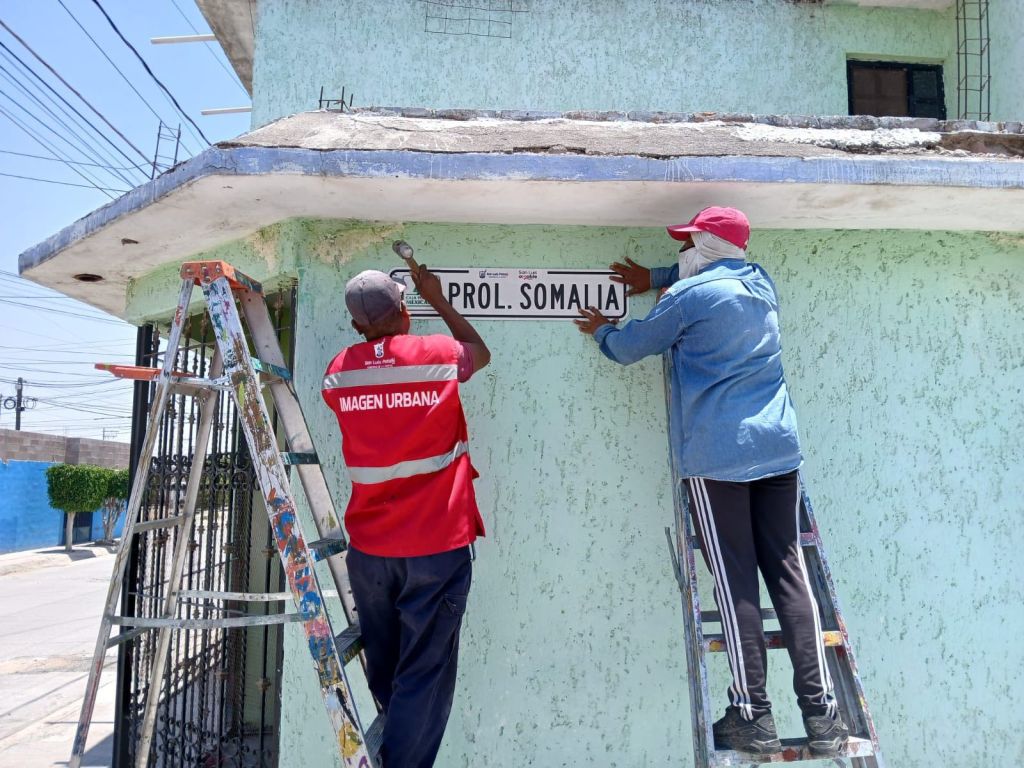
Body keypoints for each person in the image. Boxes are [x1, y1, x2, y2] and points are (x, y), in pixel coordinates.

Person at [574, 207, 849, 758]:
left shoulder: (687, 300)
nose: (683, 253)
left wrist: (602, 330)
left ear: (704, 247)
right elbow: (702, 277)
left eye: (688, 243)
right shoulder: (760, 282)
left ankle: (752, 714)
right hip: (777, 449)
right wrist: (653, 277)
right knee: (790, 576)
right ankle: (824, 716)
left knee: (735, 582)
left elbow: (631, 348)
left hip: (719, 455)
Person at [321, 264, 490, 768]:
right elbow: (480, 352)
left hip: (371, 551)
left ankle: (394, 748)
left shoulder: (337, 372)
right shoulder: (437, 353)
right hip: (436, 544)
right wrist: (437, 299)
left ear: (355, 324)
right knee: (424, 671)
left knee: (386, 664)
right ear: (403, 309)